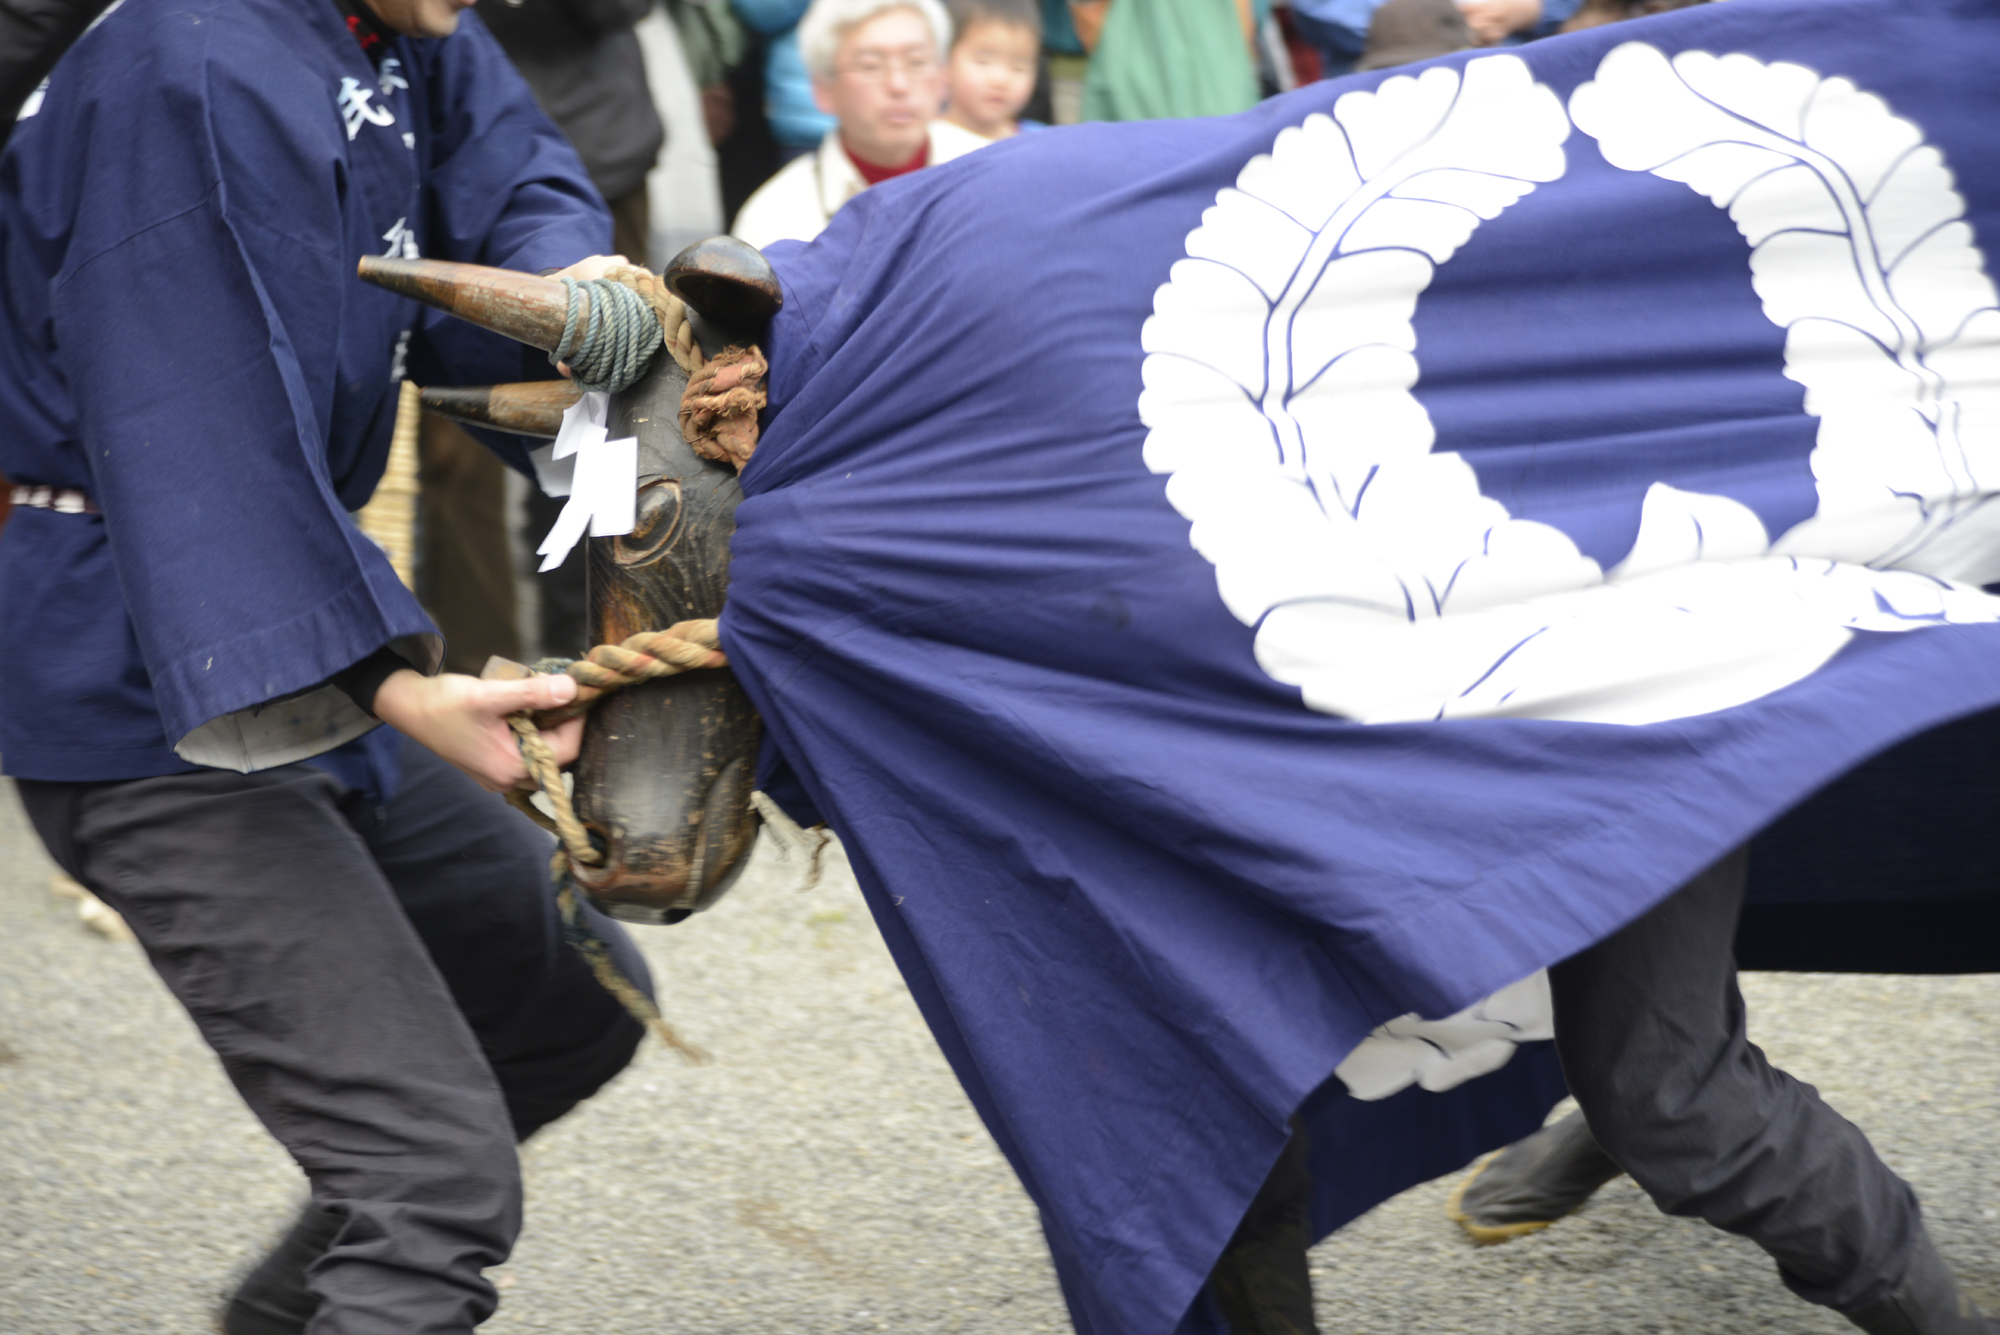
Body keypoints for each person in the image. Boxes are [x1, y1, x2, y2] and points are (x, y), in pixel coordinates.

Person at [0, 0, 658, 1330]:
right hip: (136, 670)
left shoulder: (406, 19)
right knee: (429, 1186)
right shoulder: (182, 65)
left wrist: (584, 299)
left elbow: (515, 176)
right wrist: (411, 691)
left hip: (310, 624)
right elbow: (199, 425)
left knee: (568, 1000)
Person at [730, 0, 987, 248]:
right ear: (823, 90)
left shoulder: (989, 171)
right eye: (871, 66)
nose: (899, 84)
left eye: (916, 62)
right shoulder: (776, 218)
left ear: (943, 77)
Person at [942, 0, 1042, 139]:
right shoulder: (920, 145)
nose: (1001, 79)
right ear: (945, 62)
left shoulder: (1039, 142)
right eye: (983, 61)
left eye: (1018, 68)